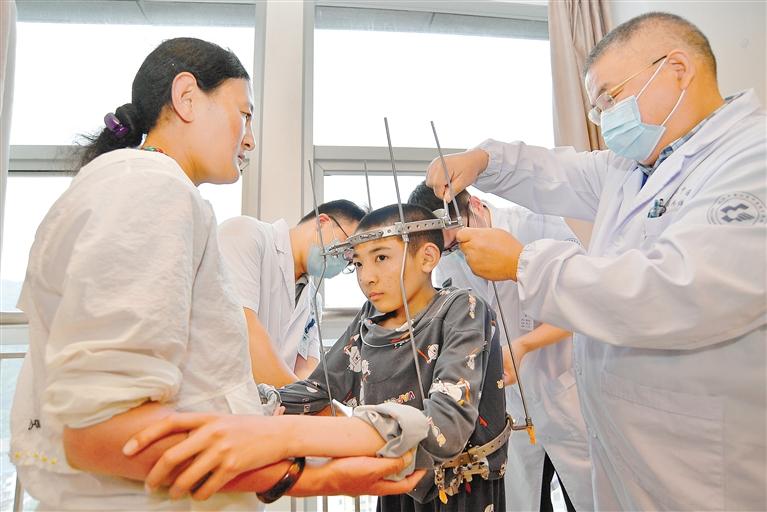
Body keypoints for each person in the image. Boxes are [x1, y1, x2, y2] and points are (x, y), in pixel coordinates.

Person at [9, 37, 422, 511]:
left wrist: (317, 439)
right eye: (244, 115)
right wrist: (307, 473)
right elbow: (101, 431)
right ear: (186, 97)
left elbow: (205, 389)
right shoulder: (150, 189)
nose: (249, 139)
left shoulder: (153, 192)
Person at [425, 12, 766, 511]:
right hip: (631, 453)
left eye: (610, 97)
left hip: (704, 465)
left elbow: (674, 290)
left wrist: (524, 264)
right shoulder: (638, 165)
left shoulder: (751, 161)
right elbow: (557, 172)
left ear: (677, 69)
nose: (604, 118)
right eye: (597, 106)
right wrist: (484, 160)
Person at [277, 204, 509, 512]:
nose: (367, 277)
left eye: (381, 258)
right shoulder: (369, 319)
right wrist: (258, 403)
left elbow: (447, 427)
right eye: (358, 263)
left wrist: (344, 436)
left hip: (459, 490)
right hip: (393, 481)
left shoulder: (462, 309)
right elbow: (319, 389)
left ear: (427, 257)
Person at [408, 182, 593, 512]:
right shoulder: (449, 258)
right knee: (526, 500)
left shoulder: (538, 226)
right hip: (511, 405)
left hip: (566, 392)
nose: (457, 253)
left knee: (587, 497)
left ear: (477, 207)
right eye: (447, 249)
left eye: (459, 242)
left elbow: (584, 304)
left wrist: (524, 346)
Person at [218, 200, 366, 387]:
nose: (345, 260)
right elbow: (243, 332)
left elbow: (305, 368)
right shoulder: (246, 234)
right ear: (322, 222)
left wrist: (314, 396)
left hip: (266, 400)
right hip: (215, 393)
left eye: (352, 261)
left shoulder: (313, 300)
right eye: (346, 248)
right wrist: (302, 398)